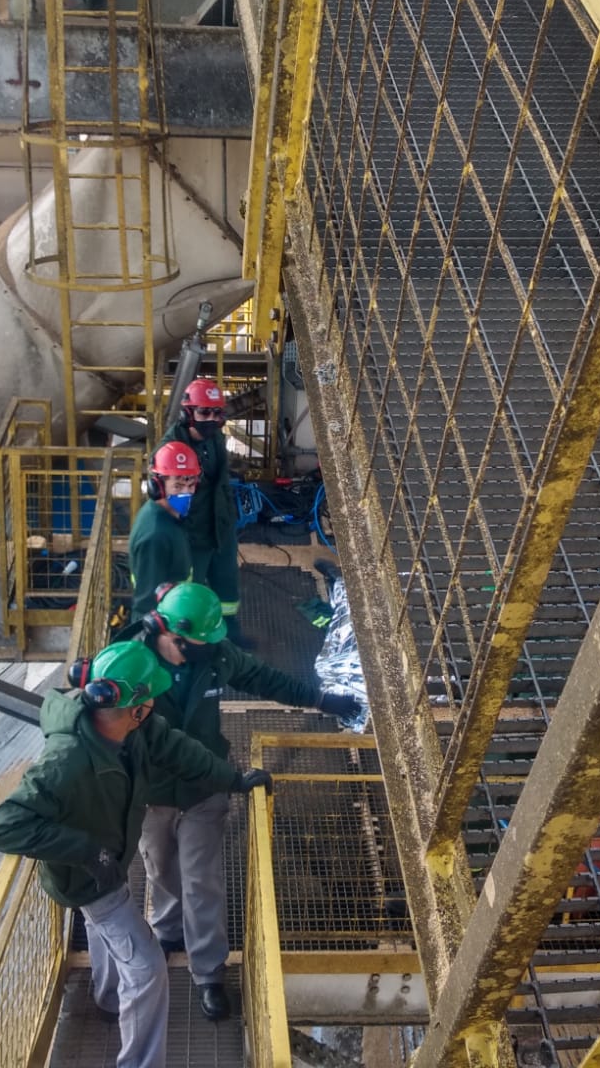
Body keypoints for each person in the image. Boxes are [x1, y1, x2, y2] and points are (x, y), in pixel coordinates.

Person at [0, 641, 272, 1068]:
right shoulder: (66, 761)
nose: (156, 704)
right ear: (134, 707)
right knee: (146, 969)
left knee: (107, 939)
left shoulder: (133, 731)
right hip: (88, 878)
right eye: (150, 698)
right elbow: (4, 826)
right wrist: (87, 852)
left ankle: (105, 999)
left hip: (108, 860)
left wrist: (233, 779)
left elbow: (182, 751)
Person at [133, 581, 363, 1020]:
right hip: (154, 793)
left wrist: (320, 699)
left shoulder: (214, 656)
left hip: (205, 788)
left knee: (201, 880)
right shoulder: (132, 666)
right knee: (159, 867)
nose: (207, 651)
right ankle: (166, 933)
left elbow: (262, 677)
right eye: (199, 644)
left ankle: (208, 972)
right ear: (169, 635)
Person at [162, 379, 248, 644]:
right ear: (188, 413)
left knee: (227, 591)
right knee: (189, 597)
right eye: (204, 412)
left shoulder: (215, 439)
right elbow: (166, 500)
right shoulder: (170, 450)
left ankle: (230, 640)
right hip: (192, 537)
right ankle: (192, 648)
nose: (211, 419)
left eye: (216, 413)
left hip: (220, 530)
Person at [127, 440, 201, 619]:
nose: (187, 493)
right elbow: (145, 604)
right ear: (157, 487)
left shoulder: (168, 516)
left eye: (190, 485)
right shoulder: (155, 536)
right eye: (177, 486)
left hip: (177, 609)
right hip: (169, 622)